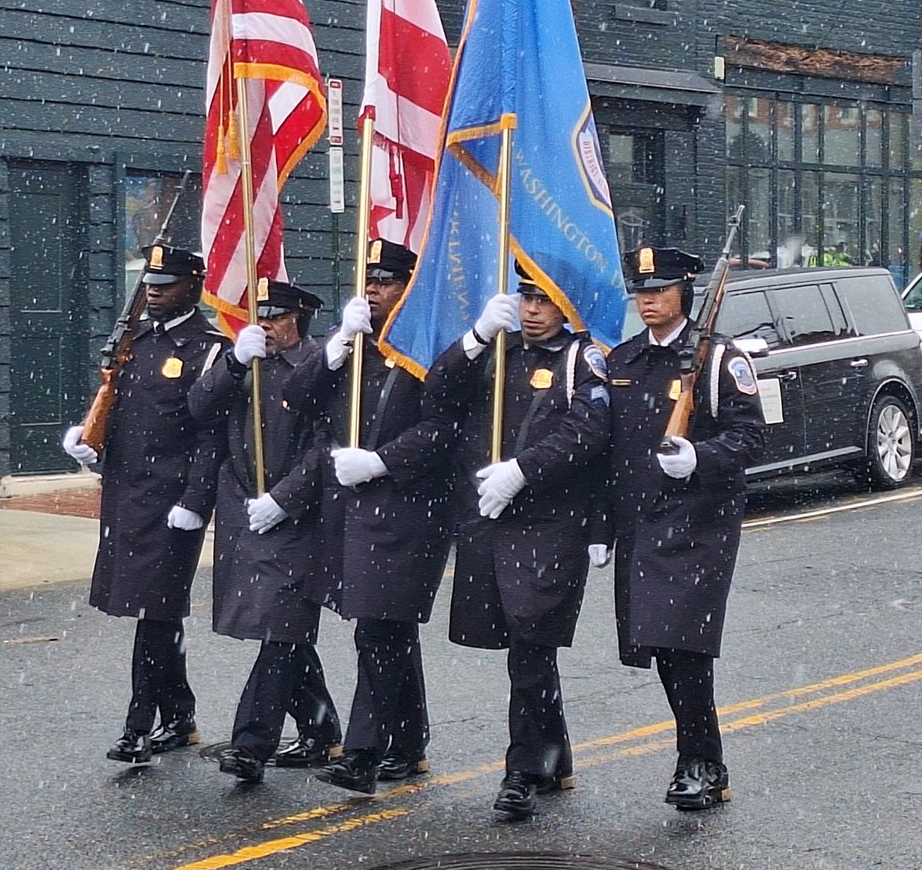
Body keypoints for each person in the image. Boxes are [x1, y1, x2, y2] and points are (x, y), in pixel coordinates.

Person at [424, 266, 612, 819]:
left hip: (547, 524)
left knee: (533, 645)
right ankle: (552, 755)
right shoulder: (497, 350)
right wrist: (477, 336)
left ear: (566, 306)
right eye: (526, 298)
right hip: (490, 522)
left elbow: (587, 431)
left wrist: (524, 471)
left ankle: (522, 771)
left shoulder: (582, 360)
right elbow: (437, 392)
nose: (532, 310)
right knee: (520, 647)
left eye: (544, 301)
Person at [591, 245, 766, 810]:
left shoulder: (718, 360)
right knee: (660, 645)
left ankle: (702, 762)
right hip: (642, 524)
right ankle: (698, 755)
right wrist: (600, 527)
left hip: (699, 525)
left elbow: (750, 437)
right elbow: (607, 454)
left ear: (683, 294)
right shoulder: (623, 361)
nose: (648, 300)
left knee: (684, 644)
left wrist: (700, 458)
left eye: (660, 291)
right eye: (641, 292)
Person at [284, 239, 455, 795]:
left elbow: (444, 429)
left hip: (408, 509)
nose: (373, 291)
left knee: (379, 631)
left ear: (410, 288)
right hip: (352, 513)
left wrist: (383, 460)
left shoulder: (428, 347)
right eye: (368, 282)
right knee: (388, 629)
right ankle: (407, 743)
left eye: (384, 282)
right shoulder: (356, 347)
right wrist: (335, 346)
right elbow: (295, 398)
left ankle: (362, 754)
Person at [61, 245, 227, 767]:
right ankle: (178, 716)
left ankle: (138, 725)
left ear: (193, 286)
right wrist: (91, 444)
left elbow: (210, 435)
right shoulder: (135, 339)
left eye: (167, 283)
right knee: (154, 612)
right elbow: (120, 410)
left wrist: (197, 501)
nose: (154, 290)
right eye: (150, 282)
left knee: (154, 615)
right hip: (127, 495)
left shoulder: (206, 349)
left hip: (171, 500)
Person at [188, 277, 342, 783]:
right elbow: (198, 408)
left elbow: (326, 445)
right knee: (284, 631)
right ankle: (321, 731)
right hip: (243, 511)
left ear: (299, 318)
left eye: (277, 317)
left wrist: (286, 498)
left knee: (279, 627)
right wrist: (232, 363)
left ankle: (251, 745)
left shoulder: (319, 367)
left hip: (296, 517)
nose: (267, 325)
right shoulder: (242, 363)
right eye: (262, 316)